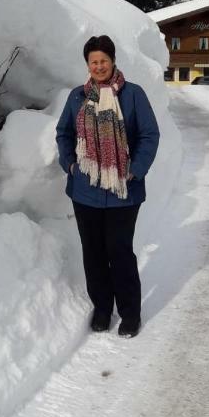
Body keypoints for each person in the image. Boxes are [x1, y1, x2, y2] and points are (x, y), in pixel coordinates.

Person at [56, 35, 160, 337]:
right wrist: (70, 164)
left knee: (120, 251)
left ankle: (130, 313)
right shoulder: (77, 96)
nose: (99, 66)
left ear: (112, 61)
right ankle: (102, 308)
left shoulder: (133, 94)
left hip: (123, 191)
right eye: (93, 61)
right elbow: (63, 133)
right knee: (93, 252)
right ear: (88, 65)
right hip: (85, 191)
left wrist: (135, 169)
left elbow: (149, 135)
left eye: (103, 60)